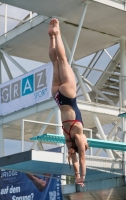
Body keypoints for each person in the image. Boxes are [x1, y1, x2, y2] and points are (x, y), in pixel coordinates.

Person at [48, 18, 88, 187]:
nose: (88, 143)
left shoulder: (79, 136)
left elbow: (82, 158)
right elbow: (75, 158)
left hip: (69, 96)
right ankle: (51, 37)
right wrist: (76, 174)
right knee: (55, 62)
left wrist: (83, 176)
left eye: (87, 145)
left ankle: (57, 33)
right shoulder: (69, 138)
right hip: (57, 97)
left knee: (63, 61)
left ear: (83, 145)